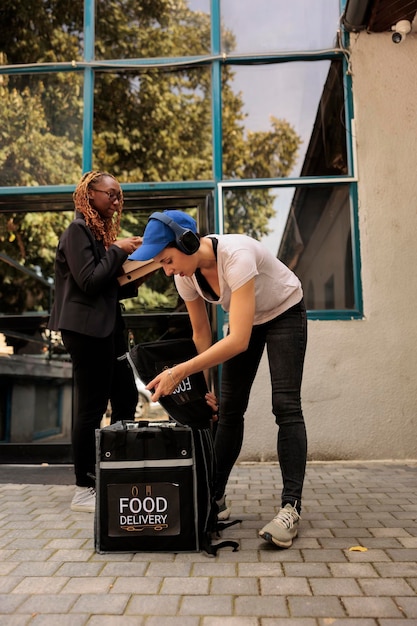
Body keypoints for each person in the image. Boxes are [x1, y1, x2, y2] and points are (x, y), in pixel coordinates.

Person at [129, 209, 308, 549]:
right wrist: (203, 390)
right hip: (247, 321)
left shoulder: (236, 255)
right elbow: (201, 334)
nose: (167, 271)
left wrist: (178, 372)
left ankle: (290, 507)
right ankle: (214, 499)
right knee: (226, 411)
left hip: (284, 311)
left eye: (167, 260)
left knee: (285, 405)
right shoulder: (186, 276)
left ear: (188, 241)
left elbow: (238, 340)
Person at [48, 170, 143, 513]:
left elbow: (108, 283)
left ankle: (113, 469)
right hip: (86, 332)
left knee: (126, 395)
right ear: (90, 195)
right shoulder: (77, 231)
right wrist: (117, 250)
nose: (117, 201)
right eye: (111, 194)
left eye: (119, 195)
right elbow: (89, 281)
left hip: (109, 329)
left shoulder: (98, 233)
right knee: (90, 408)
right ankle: (83, 488)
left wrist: (139, 272)